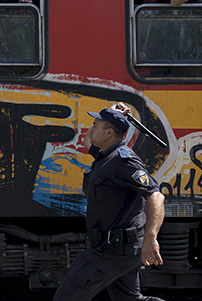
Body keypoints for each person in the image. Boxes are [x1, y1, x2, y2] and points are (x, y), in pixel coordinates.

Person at [53, 103, 165, 301]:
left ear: (109, 133)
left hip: (111, 251)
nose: (92, 128)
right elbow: (88, 140)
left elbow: (155, 195)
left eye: (96, 125)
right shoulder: (105, 155)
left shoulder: (123, 160)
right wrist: (112, 111)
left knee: (67, 297)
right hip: (115, 248)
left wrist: (151, 237)